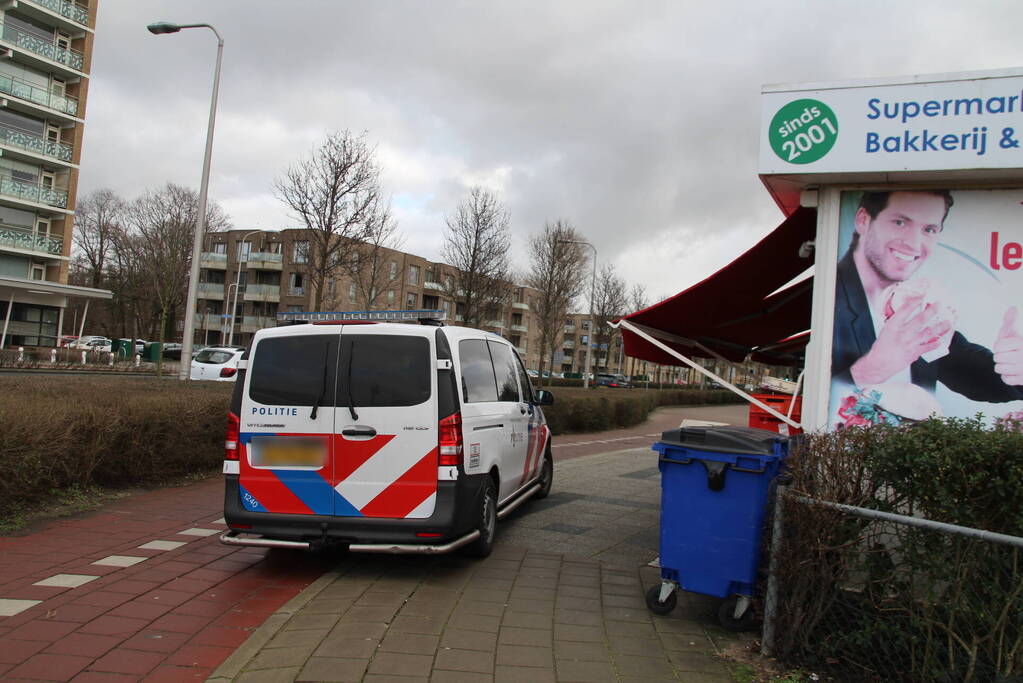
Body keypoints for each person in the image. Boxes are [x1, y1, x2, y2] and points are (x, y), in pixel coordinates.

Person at [831, 190, 1023, 403]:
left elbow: (978, 378)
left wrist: (1015, 368)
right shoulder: (825, 299)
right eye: (900, 223)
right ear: (863, 220)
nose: (913, 243)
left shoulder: (916, 310)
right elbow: (799, 388)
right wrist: (868, 371)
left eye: (929, 229)